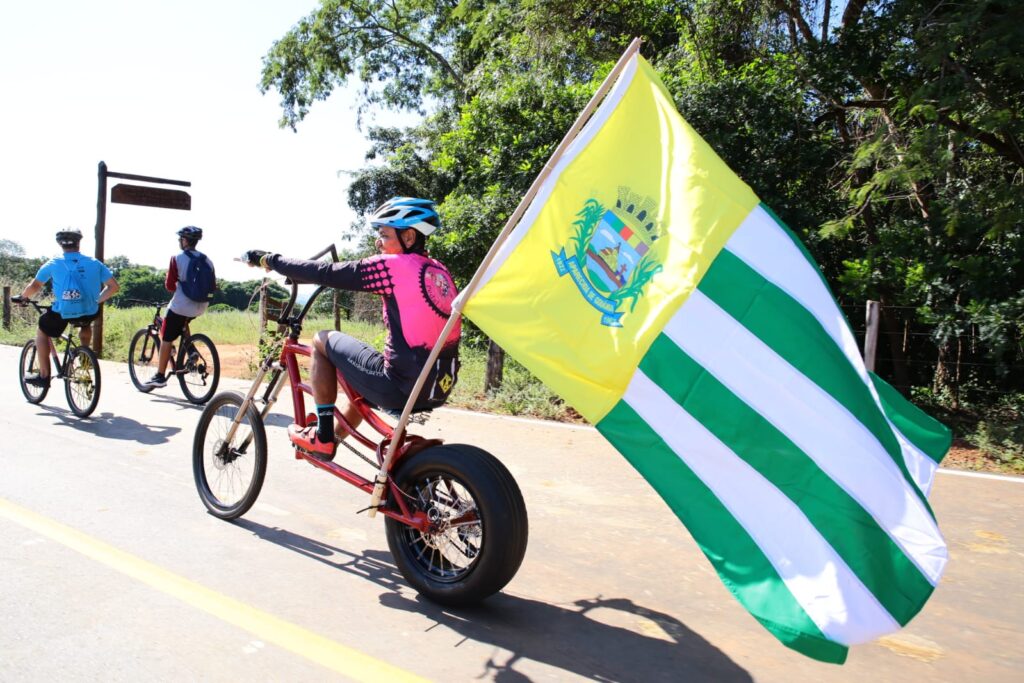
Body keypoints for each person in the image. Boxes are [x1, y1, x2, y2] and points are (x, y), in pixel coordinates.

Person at [243, 196, 461, 459]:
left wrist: (269, 260)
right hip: (439, 386)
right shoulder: (440, 271)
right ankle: (332, 439)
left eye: (383, 235)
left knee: (322, 340)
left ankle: (322, 438)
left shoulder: (392, 266)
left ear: (410, 237)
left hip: (400, 386)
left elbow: (325, 272)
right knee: (356, 378)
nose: (377, 242)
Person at [18, 228, 120, 388]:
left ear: (59, 243)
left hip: (63, 312)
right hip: (90, 311)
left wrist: (23, 297)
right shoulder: (94, 263)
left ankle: (44, 376)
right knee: (85, 322)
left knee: (42, 331)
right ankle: (84, 353)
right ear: (79, 243)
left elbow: (35, 285)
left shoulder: (54, 263)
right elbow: (113, 287)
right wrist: (96, 300)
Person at [142, 226, 216, 389]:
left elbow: (170, 286)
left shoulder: (177, 258)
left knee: (167, 337)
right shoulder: (207, 260)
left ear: (184, 240)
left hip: (181, 306)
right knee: (183, 324)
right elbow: (213, 285)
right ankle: (191, 351)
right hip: (201, 305)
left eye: (180, 239)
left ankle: (160, 376)